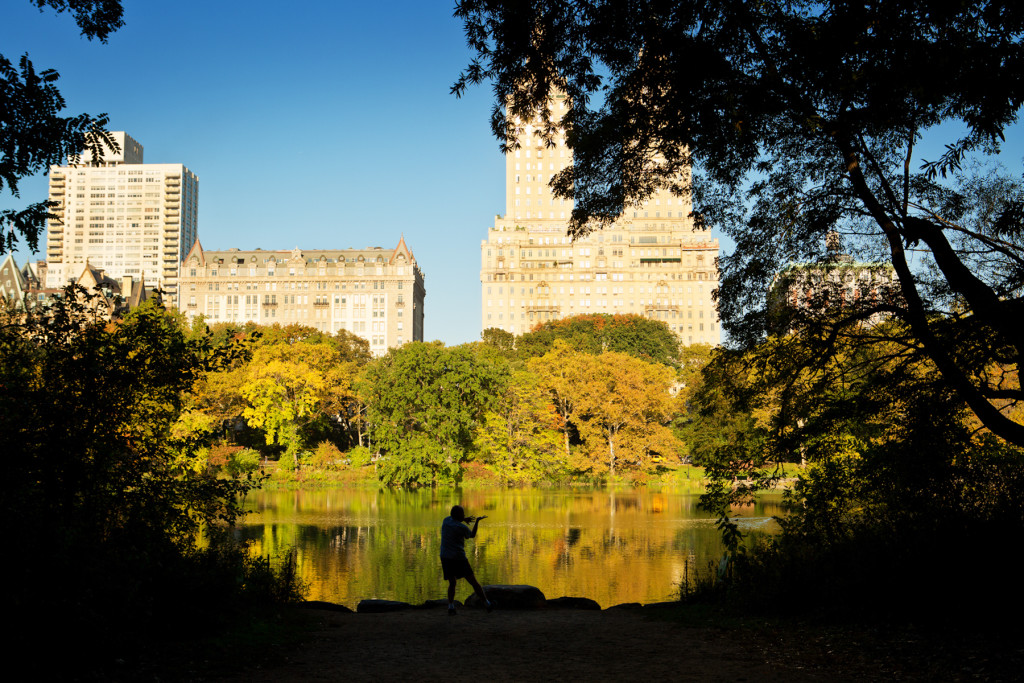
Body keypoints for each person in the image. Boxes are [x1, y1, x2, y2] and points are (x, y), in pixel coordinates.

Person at [440, 505, 492, 615]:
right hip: (458, 558)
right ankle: (486, 603)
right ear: (458, 515)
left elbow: (454, 518)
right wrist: (477, 522)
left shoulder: (446, 520)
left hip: (445, 557)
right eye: (462, 514)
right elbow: (472, 535)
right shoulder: (461, 527)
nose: (464, 515)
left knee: (452, 582)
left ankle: (450, 606)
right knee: (473, 582)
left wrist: (464, 519)